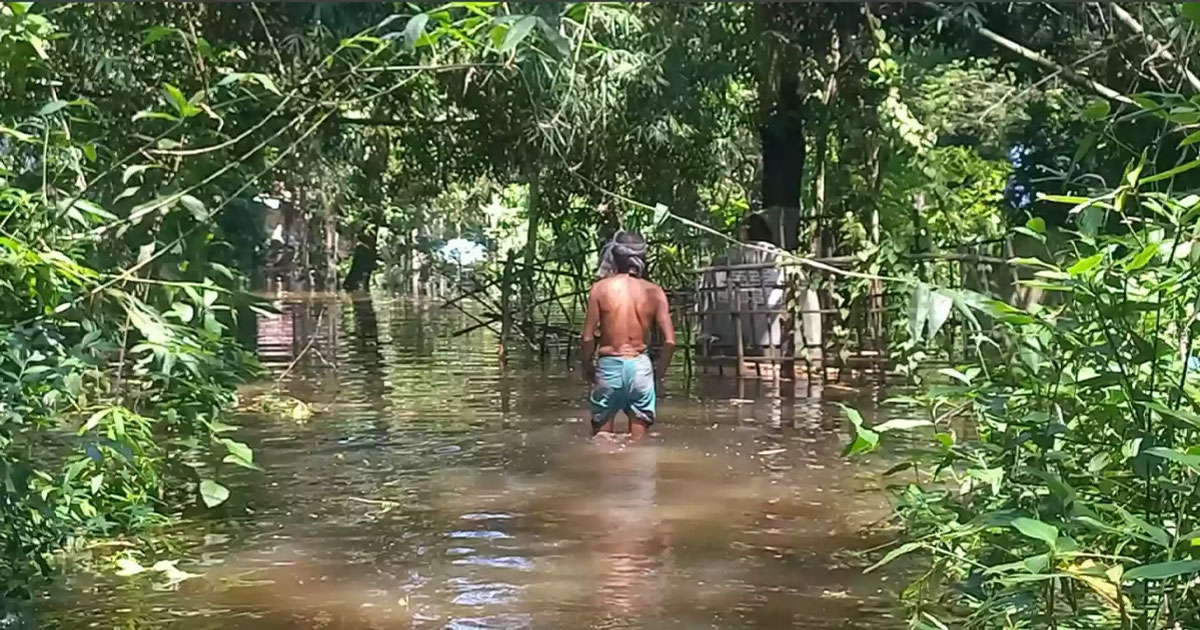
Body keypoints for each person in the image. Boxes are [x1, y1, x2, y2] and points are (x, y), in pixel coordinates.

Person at [581, 231, 676, 441]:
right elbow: (670, 340)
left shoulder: (600, 289)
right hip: (641, 368)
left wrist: (587, 367)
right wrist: (658, 373)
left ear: (613, 256)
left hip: (609, 367)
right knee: (638, 446)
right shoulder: (655, 291)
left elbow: (587, 338)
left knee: (602, 441)